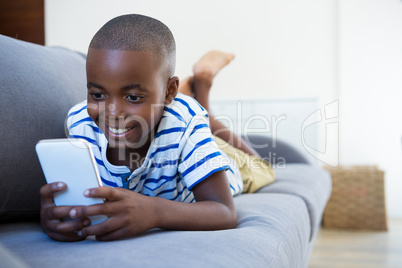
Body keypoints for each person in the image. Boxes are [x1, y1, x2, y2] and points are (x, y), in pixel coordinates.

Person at [40, 14, 274, 242]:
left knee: (261, 166)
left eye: (132, 97)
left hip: (224, 162)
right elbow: (72, 203)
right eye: (97, 94)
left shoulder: (185, 125)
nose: (112, 113)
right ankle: (190, 98)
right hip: (170, 113)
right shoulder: (80, 124)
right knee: (185, 112)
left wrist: (154, 212)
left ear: (169, 90)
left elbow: (224, 212)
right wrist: (55, 218)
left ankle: (202, 92)